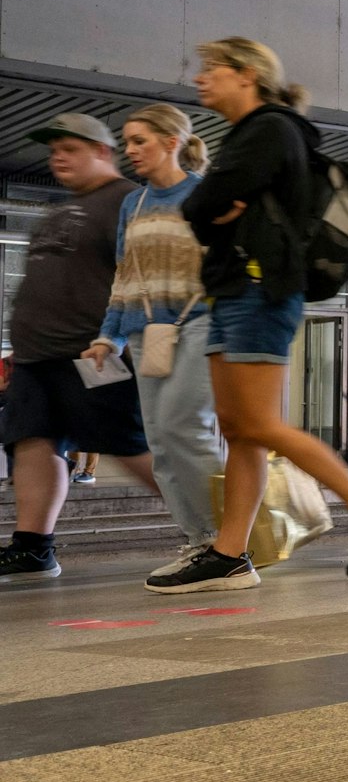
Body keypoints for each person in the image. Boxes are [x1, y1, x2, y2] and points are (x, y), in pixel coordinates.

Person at [145, 37, 348, 593]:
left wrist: (216, 211)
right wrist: (216, 211)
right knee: (239, 429)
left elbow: (198, 205)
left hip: (259, 292)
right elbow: (205, 209)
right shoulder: (252, 135)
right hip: (235, 290)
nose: (200, 79)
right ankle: (229, 553)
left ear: (246, 75)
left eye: (211, 69)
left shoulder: (270, 129)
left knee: (259, 424)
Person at [0, 113, 161, 582]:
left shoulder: (127, 202)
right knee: (32, 440)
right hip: (35, 358)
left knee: (128, 445)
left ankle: (223, 531)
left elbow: (149, 274)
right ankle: (33, 547)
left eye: (70, 148)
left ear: (102, 153)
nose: (58, 158)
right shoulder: (61, 209)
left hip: (92, 354)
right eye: (54, 150)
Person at [84, 103, 227, 566]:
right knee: (161, 441)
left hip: (201, 322)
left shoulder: (205, 195)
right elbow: (126, 277)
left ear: (171, 143)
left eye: (139, 141)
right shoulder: (135, 203)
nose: (130, 151)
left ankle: (232, 537)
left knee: (187, 427)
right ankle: (199, 540)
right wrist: (111, 337)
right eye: (126, 142)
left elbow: (226, 268)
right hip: (148, 332)